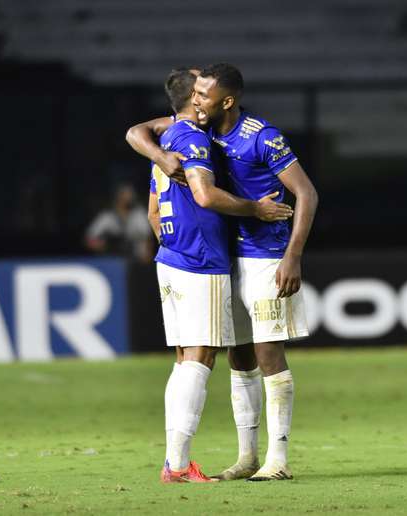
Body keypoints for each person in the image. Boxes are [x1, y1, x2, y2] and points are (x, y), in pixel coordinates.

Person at [127, 63, 319, 481]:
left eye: (203, 95)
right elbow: (139, 131)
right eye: (194, 93)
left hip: (266, 254)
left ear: (226, 101)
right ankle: (247, 457)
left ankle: (278, 460)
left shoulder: (262, 137)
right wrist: (161, 157)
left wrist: (293, 256)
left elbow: (306, 192)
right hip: (225, 259)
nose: (195, 101)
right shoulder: (199, 127)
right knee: (240, 356)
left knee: (269, 354)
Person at [84, 182, 153, 263]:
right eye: (125, 194)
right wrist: (103, 245)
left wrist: (146, 256)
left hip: (135, 259)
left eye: (130, 194)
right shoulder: (107, 217)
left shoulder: (139, 214)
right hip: (110, 258)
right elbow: (88, 239)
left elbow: (148, 238)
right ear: (118, 196)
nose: (129, 197)